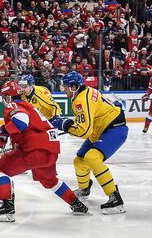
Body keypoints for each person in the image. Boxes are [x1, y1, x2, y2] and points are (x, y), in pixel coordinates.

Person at [0, 81, 89, 221]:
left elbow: (21, 122)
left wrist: (4, 131)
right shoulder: (29, 106)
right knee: (49, 181)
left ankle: (7, 209)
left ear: (8, 96)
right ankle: (76, 204)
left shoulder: (14, 105)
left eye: (5, 96)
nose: (4, 100)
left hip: (34, 150)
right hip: (50, 150)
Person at [51, 71, 127, 214]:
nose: (63, 89)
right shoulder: (85, 92)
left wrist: (65, 125)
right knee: (79, 161)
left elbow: (83, 131)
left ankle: (115, 198)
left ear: (74, 87)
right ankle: (84, 190)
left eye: (66, 87)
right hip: (101, 129)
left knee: (92, 157)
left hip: (114, 129)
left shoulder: (80, 100)